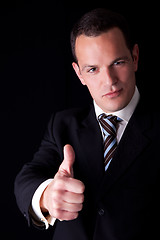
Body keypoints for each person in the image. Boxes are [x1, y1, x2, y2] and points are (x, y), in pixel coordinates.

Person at [14, 8, 160, 240]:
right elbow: (27, 177)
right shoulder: (62, 124)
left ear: (135, 57)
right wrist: (47, 196)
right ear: (79, 73)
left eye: (118, 62)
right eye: (93, 69)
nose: (109, 81)